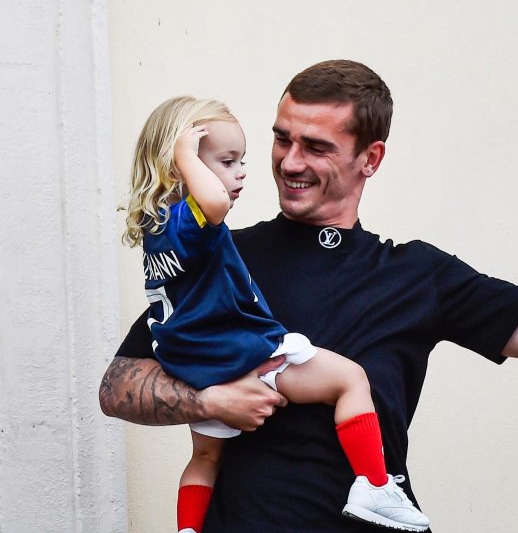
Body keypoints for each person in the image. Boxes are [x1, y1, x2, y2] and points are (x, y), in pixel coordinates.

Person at [100, 60, 518, 532]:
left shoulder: (417, 273)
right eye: (281, 138)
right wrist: (209, 403)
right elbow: (117, 386)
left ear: (370, 158)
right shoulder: (222, 254)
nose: (290, 161)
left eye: (316, 146)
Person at [122, 96, 430, 533]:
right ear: (181, 169)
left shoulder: (156, 232)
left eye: (242, 160)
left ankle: (188, 529)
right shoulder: (189, 221)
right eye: (227, 162)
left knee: (205, 456)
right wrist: (187, 156)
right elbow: (213, 205)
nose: (241, 172)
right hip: (239, 349)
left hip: (193, 364)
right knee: (350, 379)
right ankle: (375, 485)